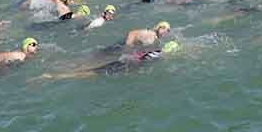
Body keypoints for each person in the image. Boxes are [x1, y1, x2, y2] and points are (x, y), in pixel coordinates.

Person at [39, 41, 179, 80]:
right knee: (91, 74)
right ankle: (55, 77)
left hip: (123, 61)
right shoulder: (157, 56)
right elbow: (141, 63)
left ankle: (61, 74)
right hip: (123, 65)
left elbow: (138, 56)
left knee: (91, 71)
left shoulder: (153, 51)